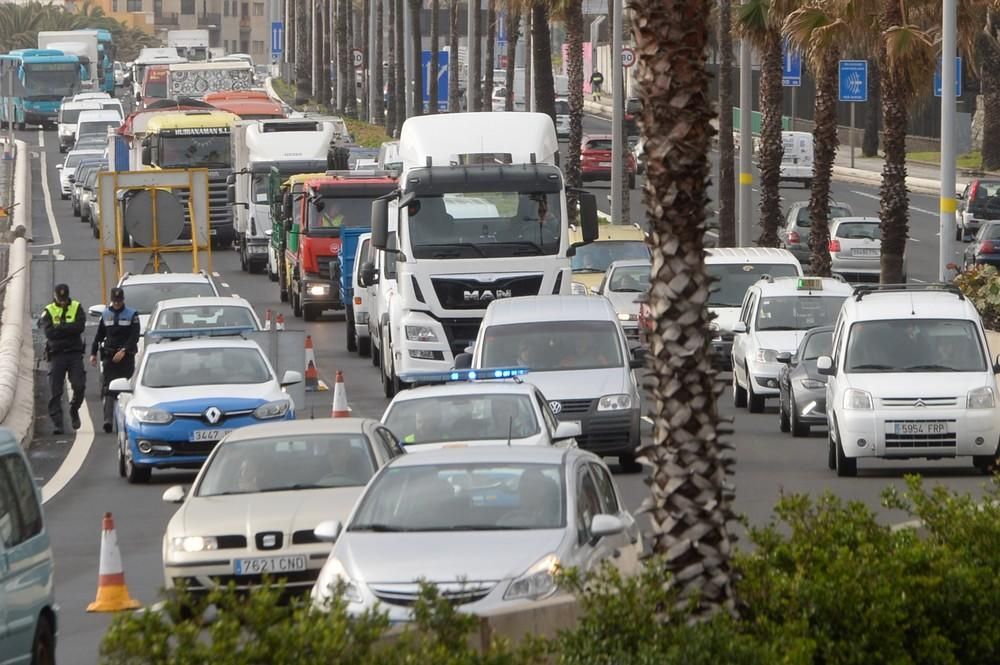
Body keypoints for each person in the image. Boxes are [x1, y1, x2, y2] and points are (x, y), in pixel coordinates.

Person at [90, 287, 141, 433]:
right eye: (115, 301)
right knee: (109, 388)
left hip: (126, 357)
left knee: (126, 389)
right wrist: (93, 353)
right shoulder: (106, 315)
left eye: (119, 301)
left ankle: (127, 420)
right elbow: (99, 336)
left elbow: (134, 337)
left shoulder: (132, 314)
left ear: (123, 300)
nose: (117, 304)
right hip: (109, 356)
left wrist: (124, 351)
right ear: (111, 300)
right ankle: (108, 421)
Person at [39, 284, 86, 435]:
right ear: (55, 297)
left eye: (65, 299)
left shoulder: (77, 307)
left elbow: (79, 327)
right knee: (55, 391)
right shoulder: (48, 310)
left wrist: (60, 328)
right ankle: (58, 423)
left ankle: (74, 409)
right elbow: (49, 333)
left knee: (79, 385)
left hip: (74, 353)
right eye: (60, 299)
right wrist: (68, 329)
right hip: (56, 354)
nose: (63, 302)